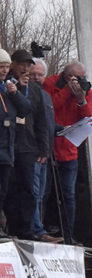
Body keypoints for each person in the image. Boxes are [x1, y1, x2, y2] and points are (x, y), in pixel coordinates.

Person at [42, 61, 92, 245]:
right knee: (45, 191)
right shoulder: (50, 83)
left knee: (68, 194)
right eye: (77, 78)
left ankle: (68, 233)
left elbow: (89, 118)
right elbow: (49, 107)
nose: (80, 81)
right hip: (49, 146)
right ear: (67, 76)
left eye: (82, 78)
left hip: (69, 149)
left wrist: (81, 99)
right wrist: (67, 92)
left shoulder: (86, 91)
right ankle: (43, 229)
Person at [5, 49, 52, 241]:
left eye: (28, 65)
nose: (25, 69)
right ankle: (12, 226)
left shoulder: (34, 89)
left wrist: (44, 147)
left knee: (29, 190)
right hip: (9, 143)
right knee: (10, 188)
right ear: (13, 65)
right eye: (22, 65)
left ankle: (26, 229)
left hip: (28, 145)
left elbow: (41, 120)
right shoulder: (6, 84)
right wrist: (15, 88)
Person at [0, 49, 31, 238]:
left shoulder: (8, 87)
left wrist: (15, 93)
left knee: (3, 191)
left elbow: (25, 109)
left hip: (7, 150)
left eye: (6, 67)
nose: (4, 71)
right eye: (0, 67)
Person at [28, 59, 58, 243]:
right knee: (33, 192)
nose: (36, 77)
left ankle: (39, 227)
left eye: (40, 75)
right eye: (33, 74)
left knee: (41, 194)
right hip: (33, 151)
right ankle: (36, 230)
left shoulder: (46, 96)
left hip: (45, 153)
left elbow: (48, 124)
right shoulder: (27, 94)